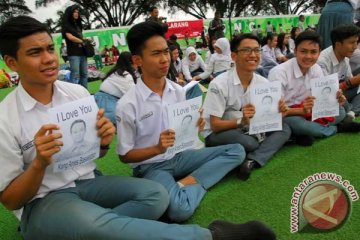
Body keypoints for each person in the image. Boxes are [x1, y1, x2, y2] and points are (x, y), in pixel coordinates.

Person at [0, 15, 277, 240]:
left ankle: (85, 226)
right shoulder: (6, 118)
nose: (49, 58)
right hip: (44, 198)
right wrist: (39, 163)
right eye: (35, 53)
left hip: (88, 183)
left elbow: (94, 155)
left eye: (50, 48)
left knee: (156, 196)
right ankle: (210, 236)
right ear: (11, 62)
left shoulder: (76, 93)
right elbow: (11, 200)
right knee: (96, 226)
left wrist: (103, 141)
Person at [116, 21, 248, 223]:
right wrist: (157, 148)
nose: (164, 59)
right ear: (137, 60)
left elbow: (182, 131)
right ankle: (197, 182)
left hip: (180, 155)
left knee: (237, 150)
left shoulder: (178, 90)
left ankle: (188, 182)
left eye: (166, 52)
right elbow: (125, 156)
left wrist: (195, 124)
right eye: (156, 54)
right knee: (179, 211)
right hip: (152, 167)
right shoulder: (128, 104)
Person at [202, 33, 291, 181]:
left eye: (257, 50)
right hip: (219, 132)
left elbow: (268, 117)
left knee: (285, 128)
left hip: (249, 128)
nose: (253, 55)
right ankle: (261, 146)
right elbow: (215, 125)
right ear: (234, 56)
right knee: (249, 142)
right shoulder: (219, 84)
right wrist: (242, 121)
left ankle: (252, 160)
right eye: (247, 50)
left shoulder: (263, 82)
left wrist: (279, 112)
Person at [268, 31, 357, 147]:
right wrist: (301, 111)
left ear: (319, 53)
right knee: (297, 124)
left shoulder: (316, 69)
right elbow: (274, 111)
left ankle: (302, 134)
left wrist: (335, 99)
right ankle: (335, 129)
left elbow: (321, 99)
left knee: (340, 111)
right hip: (289, 114)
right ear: (295, 51)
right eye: (303, 51)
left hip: (310, 110)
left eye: (313, 52)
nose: (308, 56)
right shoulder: (278, 72)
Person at [317, 24, 360, 115]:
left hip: (340, 94)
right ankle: (351, 111)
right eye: (352, 43)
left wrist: (354, 81)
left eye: (356, 42)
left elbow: (350, 81)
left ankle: (351, 112)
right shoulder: (322, 62)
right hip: (325, 98)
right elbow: (323, 92)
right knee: (339, 107)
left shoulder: (345, 58)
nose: (355, 47)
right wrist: (350, 82)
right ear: (338, 44)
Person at [94, 51, 137, 125]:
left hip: (99, 100)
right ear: (130, 62)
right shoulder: (126, 76)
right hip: (108, 104)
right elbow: (135, 96)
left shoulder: (116, 72)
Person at [61, 4, 88, 88]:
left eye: (77, 12)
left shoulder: (78, 25)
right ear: (70, 13)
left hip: (82, 52)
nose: (77, 13)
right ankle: (75, 96)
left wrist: (85, 39)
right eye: (74, 12)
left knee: (84, 74)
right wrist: (82, 41)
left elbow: (79, 37)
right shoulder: (66, 25)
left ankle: (85, 93)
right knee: (75, 75)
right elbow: (70, 37)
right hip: (73, 54)